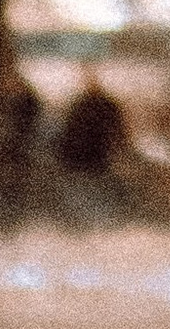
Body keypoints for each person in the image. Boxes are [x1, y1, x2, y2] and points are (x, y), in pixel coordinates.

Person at [52, 65, 128, 230]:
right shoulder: (81, 104)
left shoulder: (104, 105)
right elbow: (68, 132)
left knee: (92, 192)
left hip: (94, 158)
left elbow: (117, 133)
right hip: (81, 158)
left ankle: (93, 224)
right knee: (82, 193)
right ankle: (88, 224)